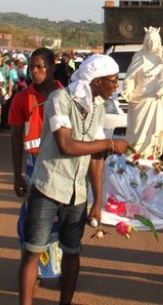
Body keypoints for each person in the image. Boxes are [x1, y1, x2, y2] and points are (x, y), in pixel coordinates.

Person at [18, 54, 128, 305]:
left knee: (72, 252)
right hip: (49, 186)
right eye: (112, 80)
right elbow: (66, 144)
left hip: (76, 192)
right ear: (97, 81)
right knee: (33, 251)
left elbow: (96, 156)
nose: (116, 85)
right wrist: (111, 143)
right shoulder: (60, 100)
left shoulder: (98, 108)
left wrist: (97, 200)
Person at [9, 48, 64, 280]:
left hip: (62, 166)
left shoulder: (67, 95)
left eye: (39, 67)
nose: (34, 72)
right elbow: (15, 136)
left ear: (52, 68)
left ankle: (58, 269)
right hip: (34, 166)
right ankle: (34, 272)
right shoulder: (22, 98)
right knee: (34, 220)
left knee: (62, 219)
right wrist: (17, 175)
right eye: (31, 67)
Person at [121, 26, 163, 158]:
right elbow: (130, 77)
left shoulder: (162, 58)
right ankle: (134, 157)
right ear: (145, 41)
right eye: (149, 40)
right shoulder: (139, 57)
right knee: (136, 133)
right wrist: (128, 90)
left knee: (153, 133)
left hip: (156, 101)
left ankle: (150, 156)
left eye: (154, 41)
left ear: (158, 42)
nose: (151, 44)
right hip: (139, 100)